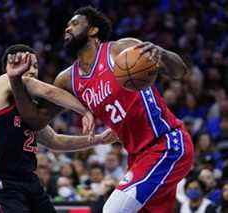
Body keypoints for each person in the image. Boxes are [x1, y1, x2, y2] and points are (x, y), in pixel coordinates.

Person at [50, 6, 194, 212]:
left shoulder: (121, 50)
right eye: (67, 25)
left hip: (166, 143)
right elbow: (41, 119)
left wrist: (162, 54)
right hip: (137, 156)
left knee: (112, 210)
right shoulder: (66, 80)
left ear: (93, 30)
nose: (67, 28)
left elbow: (179, 71)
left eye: (74, 23)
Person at [0, 44, 117, 213]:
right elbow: (49, 92)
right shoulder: (2, 83)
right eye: (26, 64)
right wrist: (84, 110)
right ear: (10, 66)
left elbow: (55, 140)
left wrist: (99, 139)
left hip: (29, 180)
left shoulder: (31, 109)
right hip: (2, 183)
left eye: (36, 66)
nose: (32, 70)